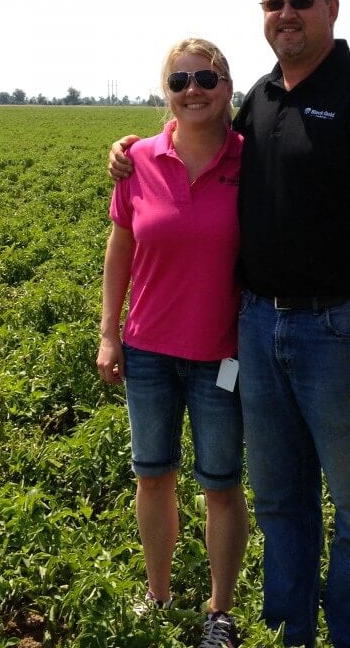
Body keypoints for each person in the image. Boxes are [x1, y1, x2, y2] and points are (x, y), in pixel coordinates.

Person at [109, 0, 350, 648]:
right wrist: (129, 151)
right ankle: (292, 633)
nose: (286, 14)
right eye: (274, 3)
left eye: (300, 2)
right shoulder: (260, 97)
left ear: (331, 10)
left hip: (340, 334)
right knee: (279, 499)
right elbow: (198, 145)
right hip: (254, 327)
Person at [97, 38, 248, 648]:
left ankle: (220, 612)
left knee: (221, 483)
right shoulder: (138, 161)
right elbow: (121, 249)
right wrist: (109, 332)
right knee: (152, 475)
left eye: (206, 78)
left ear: (227, 88)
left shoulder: (252, 159)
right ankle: (158, 596)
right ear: (167, 90)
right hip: (150, 351)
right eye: (181, 78)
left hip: (223, 355)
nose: (194, 88)